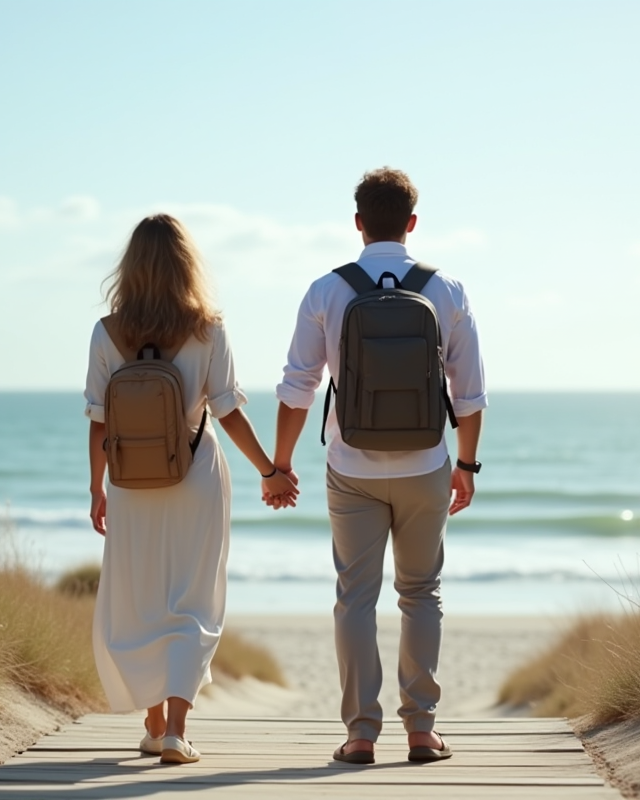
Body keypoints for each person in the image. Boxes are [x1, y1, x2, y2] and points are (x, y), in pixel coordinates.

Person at [268, 168, 485, 764]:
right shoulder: (447, 290)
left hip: (352, 465)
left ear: (358, 223)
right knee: (421, 594)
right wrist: (465, 463)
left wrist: (279, 465)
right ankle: (422, 731)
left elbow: (297, 388)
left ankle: (361, 734)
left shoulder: (326, 290)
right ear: (411, 223)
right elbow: (470, 393)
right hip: (426, 464)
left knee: (355, 598)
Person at [84, 214, 297, 765]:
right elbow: (226, 411)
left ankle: (153, 724)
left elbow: (98, 421)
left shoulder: (107, 332)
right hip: (197, 474)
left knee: (141, 599)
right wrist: (270, 470)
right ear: (187, 265)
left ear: (131, 266)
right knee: (193, 600)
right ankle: (177, 730)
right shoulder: (209, 328)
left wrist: (96, 486)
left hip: (131, 480)